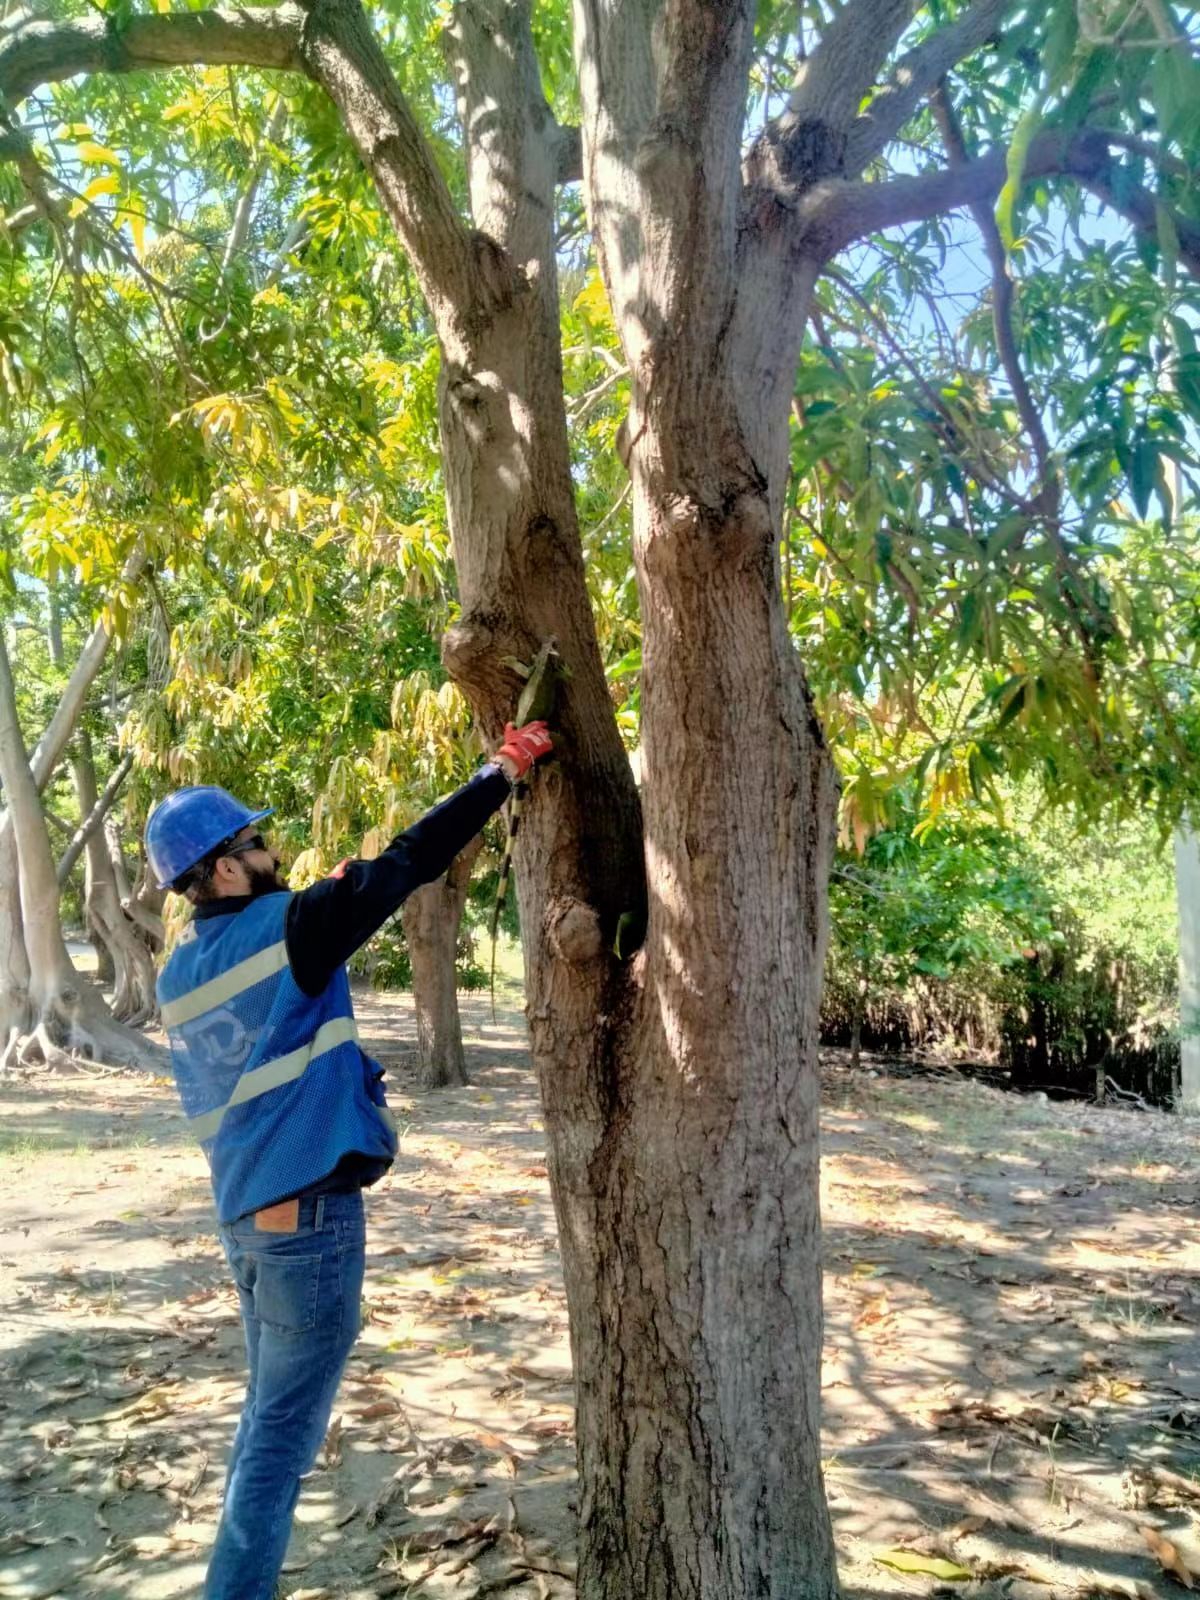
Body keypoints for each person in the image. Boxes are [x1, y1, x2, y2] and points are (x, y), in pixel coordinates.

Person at [144, 720, 552, 1600]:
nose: (271, 850)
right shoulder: (292, 926)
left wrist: (314, 910)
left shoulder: (178, 971)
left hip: (247, 1224)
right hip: (309, 1223)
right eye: (254, 844)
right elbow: (410, 859)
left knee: (265, 1422)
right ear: (221, 868)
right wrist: (500, 772)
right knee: (277, 1446)